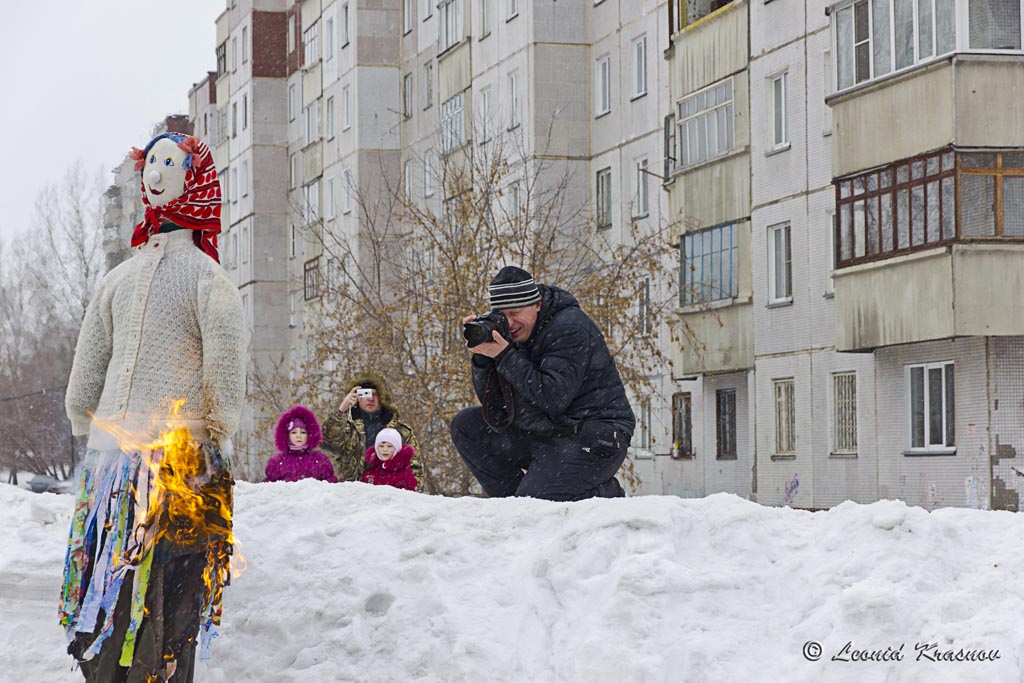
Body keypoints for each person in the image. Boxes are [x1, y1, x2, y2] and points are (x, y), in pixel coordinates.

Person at [60, 133, 248, 682]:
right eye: (152, 163)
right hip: (114, 467)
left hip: (182, 462)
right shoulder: (117, 280)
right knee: (114, 585)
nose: (156, 173)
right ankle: (114, 669)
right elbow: (92, 353)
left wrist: (217, 424)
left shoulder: (209, 281)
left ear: (195, 179)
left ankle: (160, 668)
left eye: (171, 163)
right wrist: (81, 407)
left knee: (169, 588)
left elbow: (225, 357)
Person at [450, 266, 635, 501]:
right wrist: (483, 358)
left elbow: (553, 397)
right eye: (502, 315)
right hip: (546, 430)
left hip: (594, 435)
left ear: (536, 303)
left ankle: (603, 493)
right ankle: (514, 503)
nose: (510, 323)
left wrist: (505, 355)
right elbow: (495, 409)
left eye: (515, 312)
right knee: (466, 425)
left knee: (538, 500)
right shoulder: (509, 333)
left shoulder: (569, 328)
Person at [321, 372, 422, 483]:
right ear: (357, 396)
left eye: (376, 394)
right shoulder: (347, 429)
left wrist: (405, 495)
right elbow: (328, 443)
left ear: (383, 397)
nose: (371, 399)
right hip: (351, 495)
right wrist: (341, 411)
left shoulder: (401, 432)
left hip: (390, 496)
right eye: (366, 394)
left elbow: (415, 470)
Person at [264, 405, 338, 483]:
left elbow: (331, 487)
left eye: (303, 432)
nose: (298, 436)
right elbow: (268, 490)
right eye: (294, 432)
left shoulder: (320, 460)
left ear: (309, 434)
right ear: (287, 435)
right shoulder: (278, 462)